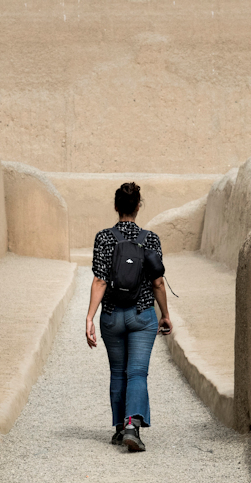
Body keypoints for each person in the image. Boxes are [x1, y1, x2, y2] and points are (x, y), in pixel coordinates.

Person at [85, 182, 172, 452]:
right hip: (141, 314)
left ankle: (120, 429)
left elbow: (99, 281)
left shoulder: (103, 238)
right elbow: (158, 283)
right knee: (137, 372)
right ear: (138, 207)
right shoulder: (150, 239)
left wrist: (89, 318)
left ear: (116, 207)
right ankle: (133, 425)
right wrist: (165, 315)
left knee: (117, 372)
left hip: (111, 316)